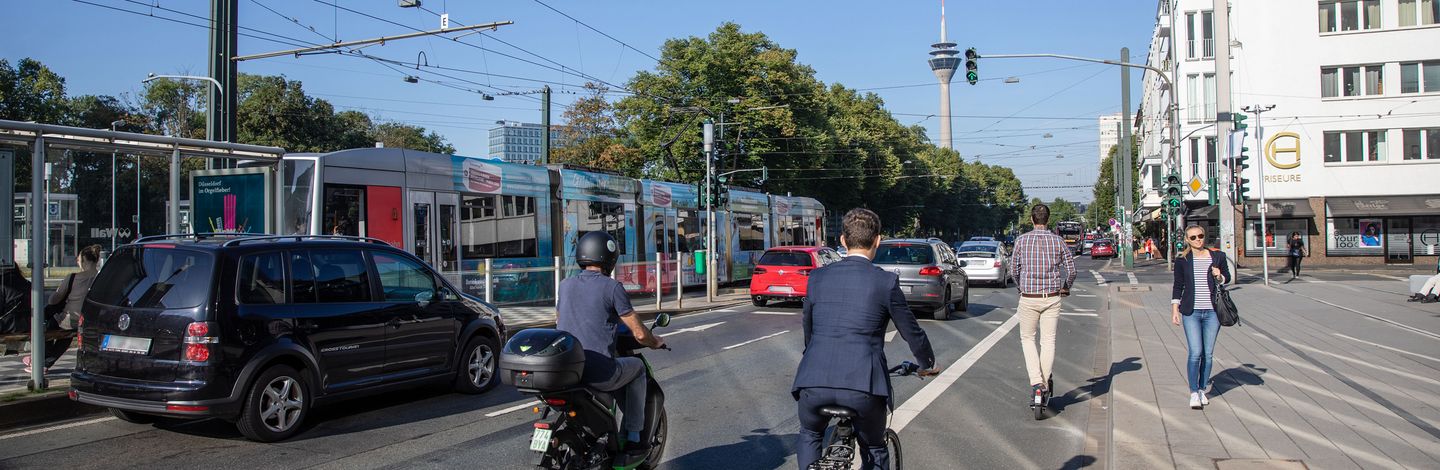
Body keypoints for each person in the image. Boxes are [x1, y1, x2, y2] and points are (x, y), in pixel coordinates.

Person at [793, 208, 938, 470]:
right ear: (878, 241)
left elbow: (809, 330)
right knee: (874, 446)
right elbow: (910, 331)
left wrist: (813, 357)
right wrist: (926, 362)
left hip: (812, 383)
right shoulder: (885, 282)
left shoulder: (817, 278)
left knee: (810, 435)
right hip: (864, 387)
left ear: (842, 240)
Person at [555, 231, 665, 467]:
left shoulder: (565, 285)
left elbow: (561, 320)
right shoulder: (612, 287)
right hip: (599, 372)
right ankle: (634, 435)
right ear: (609, 257)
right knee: (637, 369)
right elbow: (637, 332)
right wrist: (655, 342)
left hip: (568, 371)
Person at [1007, 203, 1077, 407]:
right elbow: (1072, 270)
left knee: (1027, 339)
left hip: (1029, 297)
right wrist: (1065, 287)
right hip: (1052, 296)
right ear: (1048, 220)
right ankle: (1044, 384)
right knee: (1048, 341)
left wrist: (1022, 288)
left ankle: (1036, 382)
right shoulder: (1059, 241)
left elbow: (1013, 270)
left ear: (1031, 219)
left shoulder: (1021, 240)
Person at [1171, 225, 1231, 410]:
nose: (1198, 239)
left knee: (1208, 354)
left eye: (1200, 236)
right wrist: (1175, 309)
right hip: (1191, 311)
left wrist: (1220, 275)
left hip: (1213, 311)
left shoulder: (1217, 257)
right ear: (1187, 240)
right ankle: (1193, 392)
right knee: (1195, 352)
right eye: (1193, 237)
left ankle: (1203, 389)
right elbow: (1178, 285)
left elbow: (1227, 277)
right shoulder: (1183, 260)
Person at [24, 245, 102, 374]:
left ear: (83, 260)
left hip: (70, 319)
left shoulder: (73, 277)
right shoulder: (101, 278)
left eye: (77, 260)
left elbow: (53, 300)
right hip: (90, 321)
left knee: (46, 326)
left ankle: (40, 360)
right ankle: (44, 362)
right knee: (66, 335)